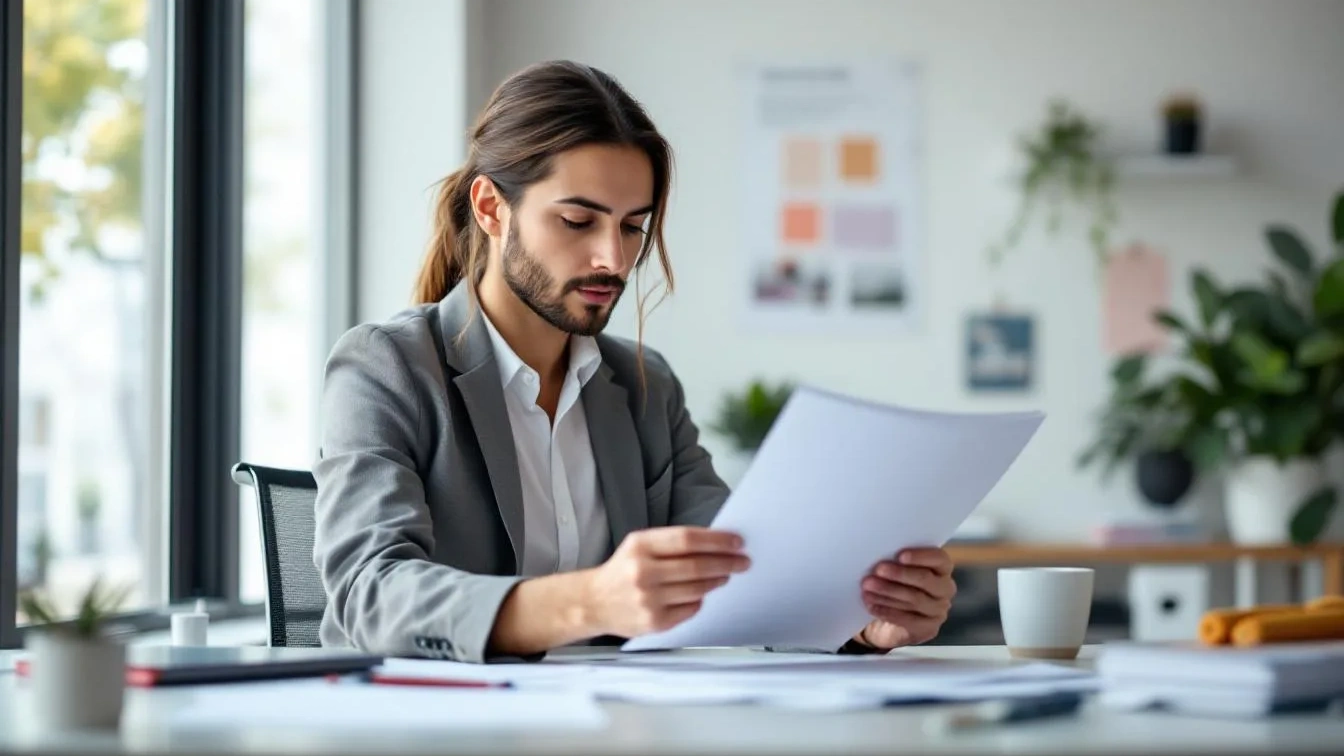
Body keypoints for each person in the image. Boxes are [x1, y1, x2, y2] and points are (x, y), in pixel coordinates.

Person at [312, 60, 956, 663]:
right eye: (576, 220)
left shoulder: (646, 388)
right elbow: (369, 591)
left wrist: (858, 621)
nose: (612, 261)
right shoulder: (386, 368)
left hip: (616, 726)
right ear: (490, 210)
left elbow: (738, 572)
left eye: (631, 227)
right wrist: (590, 600)